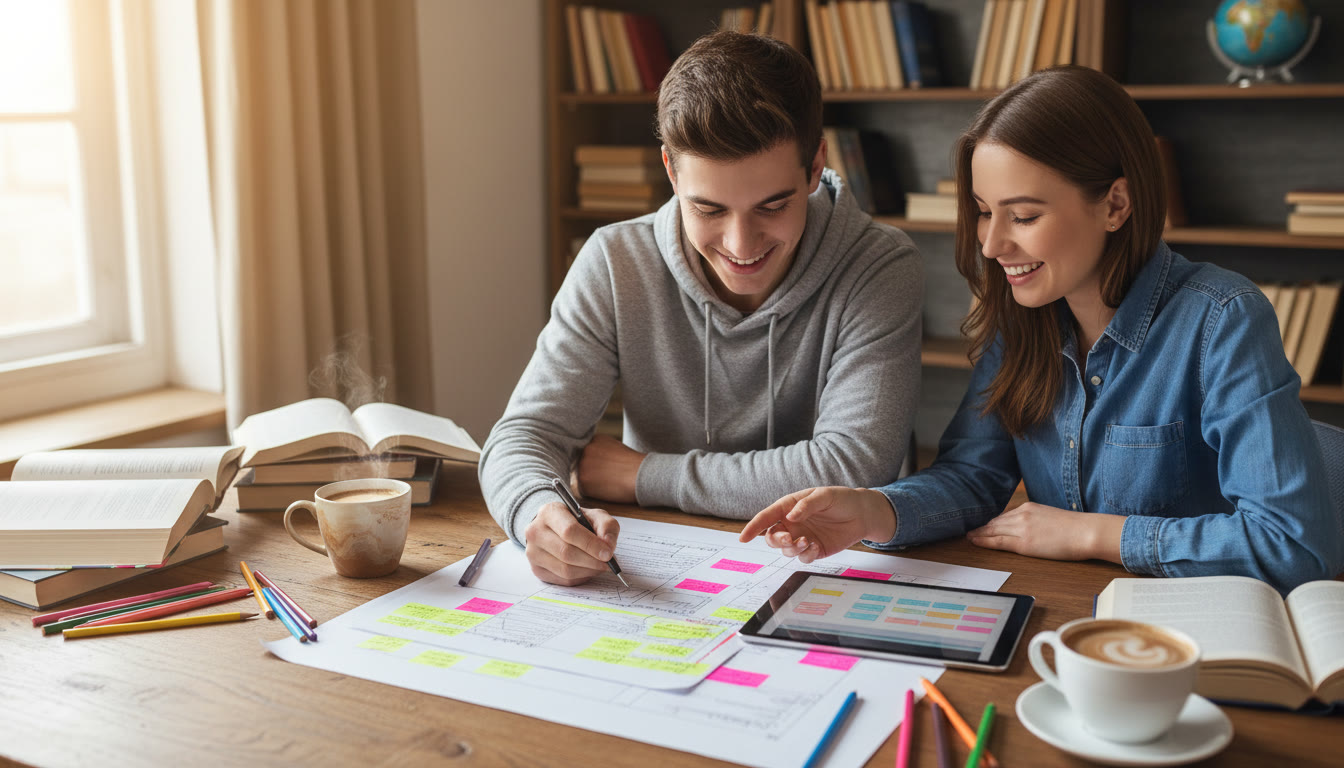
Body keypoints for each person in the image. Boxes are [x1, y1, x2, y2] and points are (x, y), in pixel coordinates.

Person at [740, 65, 1343, 596]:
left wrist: (1090, 533)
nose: (993, 244)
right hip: (1072, 612)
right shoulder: (1022, 316)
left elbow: (1291, 546)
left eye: (1024, 216)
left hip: (1201, 628)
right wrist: (874, 512)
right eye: (982, 211)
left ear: (1115, 205)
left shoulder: (1223, 318)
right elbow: (974, 477)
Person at [478, 31, 924, 586]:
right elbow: (524, 437)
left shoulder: (879, 266)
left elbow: (852, 468)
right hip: (652, 571)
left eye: (773, 205)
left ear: (815, 167)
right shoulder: (615, 261)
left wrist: (643, 475)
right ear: (670, 169)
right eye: (708, 208)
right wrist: (536, 515)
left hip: (821, 570)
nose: (740, 245)